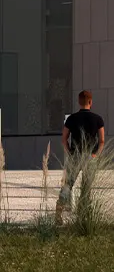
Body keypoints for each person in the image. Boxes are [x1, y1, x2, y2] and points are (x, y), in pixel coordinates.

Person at [57, 89, 106, 224]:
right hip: (90, 156)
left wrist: (69, 152)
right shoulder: (98, 119)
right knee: (86, 187)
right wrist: (95, 154)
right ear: (90, 102)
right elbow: (101, 140)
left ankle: (58, 212)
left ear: (79, 102)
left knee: (68, 185)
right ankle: (83, 217)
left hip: (75, 156)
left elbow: (64, 138)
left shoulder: (72, 118)